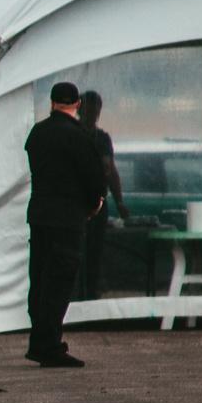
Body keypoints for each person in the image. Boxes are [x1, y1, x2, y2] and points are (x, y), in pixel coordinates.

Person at [23, 81, 107, 366]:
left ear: (51, 103)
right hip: (67, 218)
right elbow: (96, 179)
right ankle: (50, 347)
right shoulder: (78, 137)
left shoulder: (37, 133)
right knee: (59, 283)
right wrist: (92, 205)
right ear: (78, 105)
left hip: (39, 215)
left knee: (40, 280)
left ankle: (38, 341)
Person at [75, 90, 123, 300]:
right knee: (75, 253)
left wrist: (120, 202)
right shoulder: (73, 134)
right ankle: (76, 297)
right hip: (75, 205)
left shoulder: (102, 139)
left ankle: (91, 295)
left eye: (95, 110)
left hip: (97, 205)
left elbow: (111, 171)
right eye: (88, 109)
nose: (91, 114)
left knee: (94, 254)